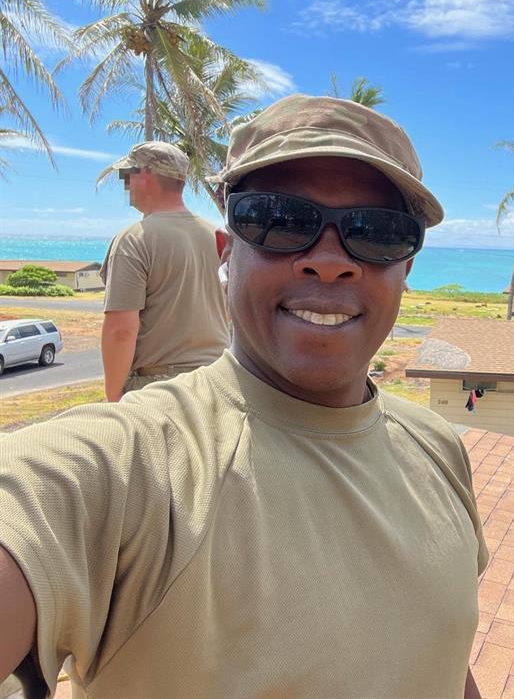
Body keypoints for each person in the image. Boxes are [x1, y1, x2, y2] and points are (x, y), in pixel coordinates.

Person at [0, 95, 488, 698]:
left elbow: (443, 652)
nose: (329, 262)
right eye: (279, 220)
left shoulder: (439, 446)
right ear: (226, 252)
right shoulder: (133, 468)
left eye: (377, 232)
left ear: (406, 268)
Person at [99, 141, 229, 400]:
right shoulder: (216, 235)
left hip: (161, 390)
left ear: (145, 177)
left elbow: (121, 330)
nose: (126, 184)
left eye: (128, 175)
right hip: (218, 379)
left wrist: (114, 400)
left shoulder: (134, 239)